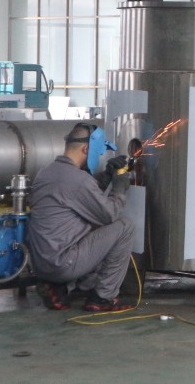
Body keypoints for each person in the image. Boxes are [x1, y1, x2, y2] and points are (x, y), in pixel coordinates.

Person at [27, 123, 136, 312]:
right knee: (125, 227)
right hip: (63, 263)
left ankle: (60, 288)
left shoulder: (45, 173)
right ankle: (102, 297)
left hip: (42, 264)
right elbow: (109, 214)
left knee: (91, 228)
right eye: (98, 152)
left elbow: (79, 197)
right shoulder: (79, 180)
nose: (98, 157)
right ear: (86, 149)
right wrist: (119, 187)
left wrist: (106, 176)